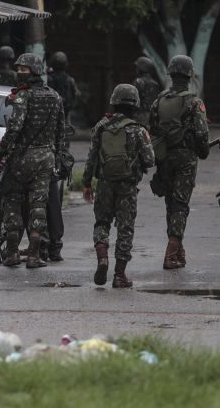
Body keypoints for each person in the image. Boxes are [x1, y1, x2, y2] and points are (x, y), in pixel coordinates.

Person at [0, 52, 65, 269]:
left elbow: (15, 128)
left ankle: (13, 253)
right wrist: (57, 157)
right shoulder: (55, 96)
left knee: (13, 202)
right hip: (46, 157)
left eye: (23, 69)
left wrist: (3, 149)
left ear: (33, 71)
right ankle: (35, 255)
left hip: (21, 158)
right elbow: (60, 132)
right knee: (39, 205)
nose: (19, 73)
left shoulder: (23, 96)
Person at [82, 84, 155, 288]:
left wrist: (87, 183)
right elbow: (150, 160)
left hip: (104, 184)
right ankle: (120, 275)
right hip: (128, 186)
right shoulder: (139, 130)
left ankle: (102, 257)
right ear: (135, 105)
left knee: (102, 223)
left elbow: (91, 159)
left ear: (114, 102)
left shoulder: (101, 126)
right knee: (125, 228)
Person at [148, 55, 210, 270]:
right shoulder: (194, 102)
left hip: (164, 158)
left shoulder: (159, 100)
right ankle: (171, 253)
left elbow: (152, 131)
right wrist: (202, 152)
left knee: (171, 205)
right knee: (180, 205)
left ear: (171, 74)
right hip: (185, 159)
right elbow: (202, 134)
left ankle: (178, 251)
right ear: (189, 74)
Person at [42, 50, 78, 262]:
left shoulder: (49, 85)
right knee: (53, 197)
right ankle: (53, 245)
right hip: (60, 138)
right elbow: (73, 100)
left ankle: (45, 244)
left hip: (47, 146)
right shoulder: (68, 83)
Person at [134, 56, 162, 127]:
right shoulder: (155, 83)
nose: (136, 69)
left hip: (139, 115)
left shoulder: (138, 82)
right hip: (152, 116)